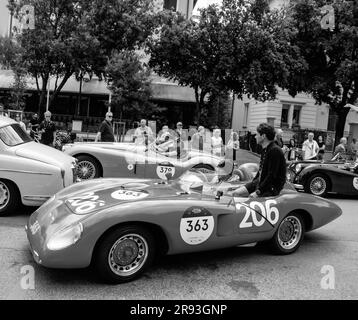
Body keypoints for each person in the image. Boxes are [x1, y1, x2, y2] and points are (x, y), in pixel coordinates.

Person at [229, 123, 287, 197]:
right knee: (235, 193)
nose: (255, 137)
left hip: (271, 188)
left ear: (263, 136)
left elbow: (272, 176)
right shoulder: (265, 149)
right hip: (260, 182)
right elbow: (261, 172)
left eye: (257, 134)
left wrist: (258, 191)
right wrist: (252, 185)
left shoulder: (275, 150)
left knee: (250, 198)